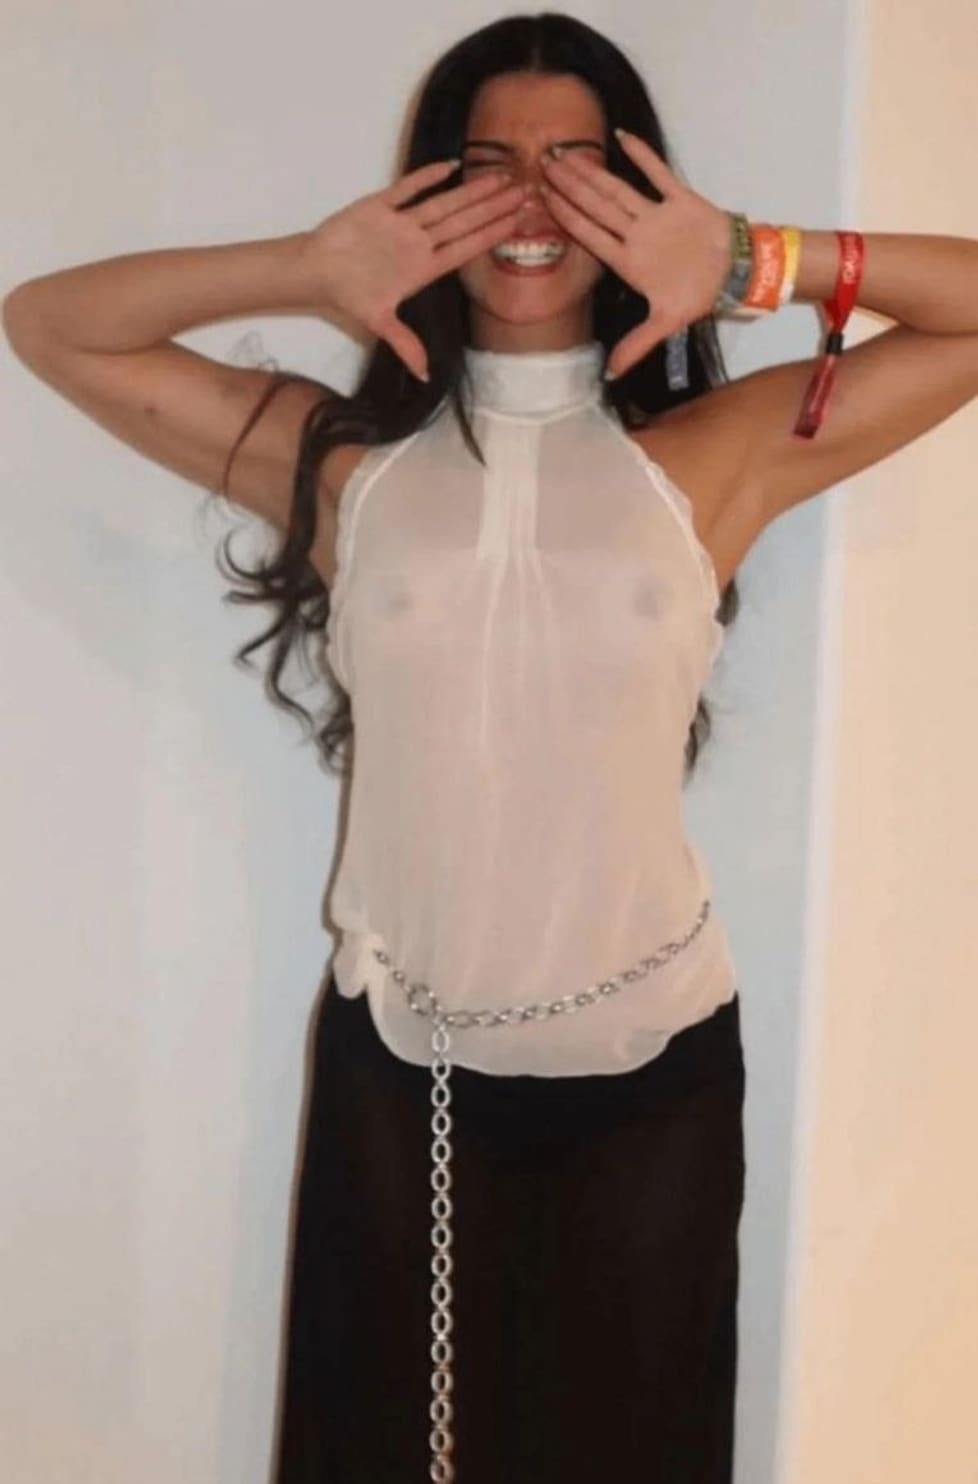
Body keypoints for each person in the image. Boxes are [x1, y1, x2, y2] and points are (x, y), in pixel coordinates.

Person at [4, 12, 977, 1484]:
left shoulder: (716, 453)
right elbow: (51, 321)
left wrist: (745, 259)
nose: (531, 201)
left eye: (577, 166)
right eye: (488, 166)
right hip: (405, 1070)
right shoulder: (341, 464)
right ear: (425, 197)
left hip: (653, 1071)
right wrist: (309, 267)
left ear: (638, 197)